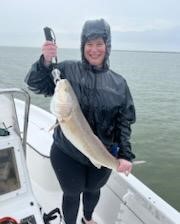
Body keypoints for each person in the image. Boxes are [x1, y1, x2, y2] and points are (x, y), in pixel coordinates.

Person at [25, 18, 136, 224]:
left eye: (99, 44)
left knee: (94, 190)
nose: (94, 50)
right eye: (89, 44)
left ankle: (87, 218)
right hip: (67, 153)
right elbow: (36, 84)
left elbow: (124, 122)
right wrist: (45, 62)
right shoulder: (66, 70)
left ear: (107, 46)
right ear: (82, 46)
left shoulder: (119, 83)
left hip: (102, 154)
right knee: (72, 194)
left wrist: (126, 155)